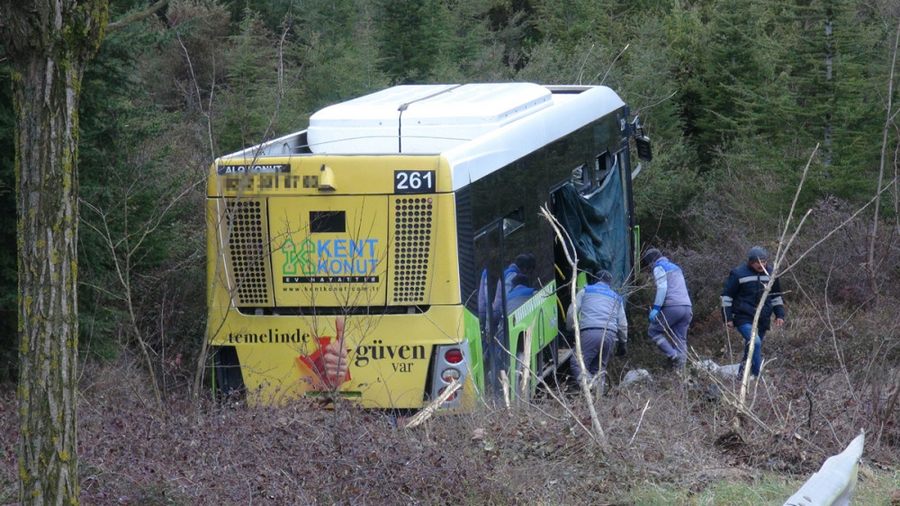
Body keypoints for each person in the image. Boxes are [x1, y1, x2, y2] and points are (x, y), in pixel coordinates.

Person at [721, 246, 786, 378]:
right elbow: (726, 297)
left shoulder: (772, 273)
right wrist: (727, 317)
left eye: (764, 261)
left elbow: (776, 296)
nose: (762, 265)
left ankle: (741, 376)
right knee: (755, 342)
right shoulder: (738, 273)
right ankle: (757, 377)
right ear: (751, 262)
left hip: (763, 317)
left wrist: (779, 314)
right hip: (743, 316)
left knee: (751, 348)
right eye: (758, 262)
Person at [566, 269, 628, 389]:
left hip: (591, 331)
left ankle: (592, 387)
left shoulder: (585, 291)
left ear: (595, 280)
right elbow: (623, 324)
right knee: (599, 369)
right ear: (609, 284)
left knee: (577, 363)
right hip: (610, 335)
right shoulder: (617, 297)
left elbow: (571, 313)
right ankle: (599, 399)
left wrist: (570, 329)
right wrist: (623, 343)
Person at [642, 248, 693, 368]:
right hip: (687, 307)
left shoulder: (658, 267)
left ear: (651, 261)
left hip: (673, 307)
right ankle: (681, 373)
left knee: (653, 331)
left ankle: (672, 354)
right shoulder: (676, 267)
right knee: (680, 339)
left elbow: (662, 288)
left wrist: (656, 308)